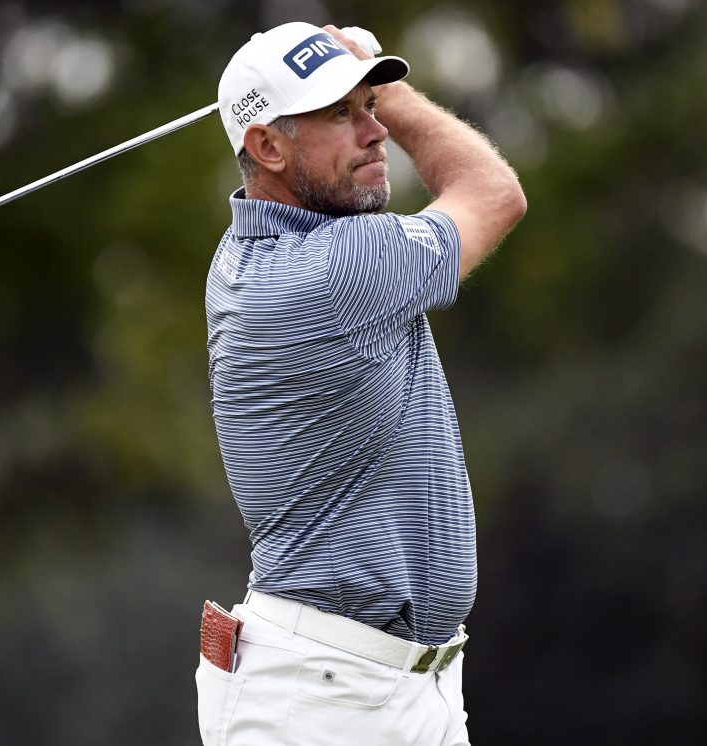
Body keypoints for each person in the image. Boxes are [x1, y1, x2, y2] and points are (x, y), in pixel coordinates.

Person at [198, 20, 526, 746]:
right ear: (268, 147)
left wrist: (355, 78)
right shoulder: (340, 269)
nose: (375, 131)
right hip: (323, 699)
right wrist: (398, 89)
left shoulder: (246, 253)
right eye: (340, 114)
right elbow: (493, 191)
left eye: (370, 105)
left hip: (389, 685)